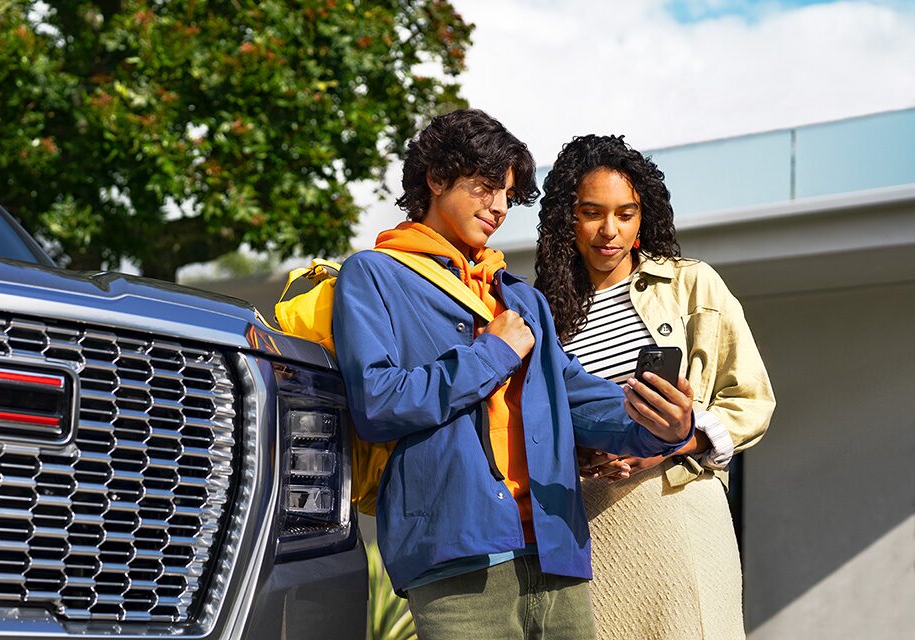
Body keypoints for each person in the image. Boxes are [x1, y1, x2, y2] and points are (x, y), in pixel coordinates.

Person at [331, 109, 699, 640]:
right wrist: (492, 354)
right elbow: (379, 403)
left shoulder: (520, 298)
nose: (500, 208)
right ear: (436, 179)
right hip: (455, 558)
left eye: (507, 194)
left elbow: (574, 398)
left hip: (555, 548)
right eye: (485, 188)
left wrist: (660, 425)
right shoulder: (373, 275)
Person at [534, 134, 776, 640]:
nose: (609, 231)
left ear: (643, 217)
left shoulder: (692, 285)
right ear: (566, 220)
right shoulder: (543, 314)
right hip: (589, 527)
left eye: (626, 213)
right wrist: (573, 453)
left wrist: (669, 445)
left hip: (678, 511)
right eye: (592, 213)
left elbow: (750, 400)